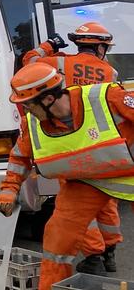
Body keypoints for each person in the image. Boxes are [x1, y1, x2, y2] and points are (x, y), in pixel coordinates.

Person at [0, 62, 134, 290]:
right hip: (86, 182)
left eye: (28, 105)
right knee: (57, 237)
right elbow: (20, 157)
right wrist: (9, 189)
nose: (26, 111)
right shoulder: (35, 124)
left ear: (48, 99)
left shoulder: (108, 98)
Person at [22, 22, 122, 274]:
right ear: (99, 47)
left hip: (71, 141)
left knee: (77, 200)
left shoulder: (59, 63)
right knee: (104, 197)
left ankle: (94, 255)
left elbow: (29, 62)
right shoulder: (110, 72)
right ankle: (110, 251)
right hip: (101, 140)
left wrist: (50, 45)